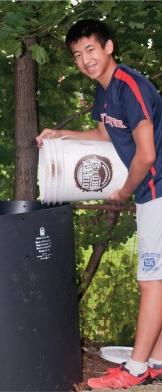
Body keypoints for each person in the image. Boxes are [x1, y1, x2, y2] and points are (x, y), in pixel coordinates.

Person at [36, 19, 162, 390]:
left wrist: (123, 192)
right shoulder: (105, 92)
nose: (84, 59)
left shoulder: (129, 85)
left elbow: (146, 153)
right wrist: (62, 134)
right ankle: (155, 361)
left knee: (150, 279)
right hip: (152, 193)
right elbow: (103, 134)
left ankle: (135, 370)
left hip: (157, 189)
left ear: (108, 47)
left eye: (90, 49)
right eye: (77, 54)